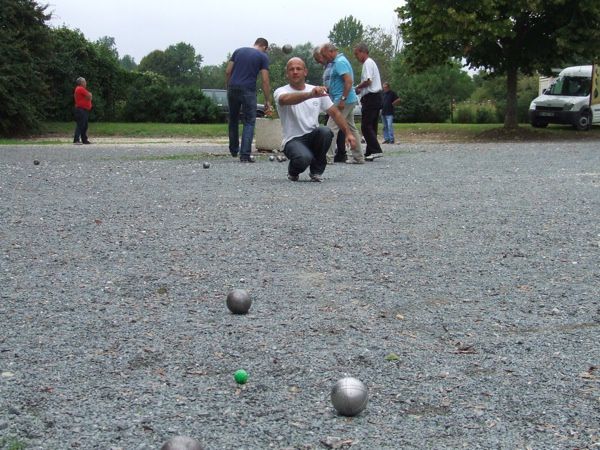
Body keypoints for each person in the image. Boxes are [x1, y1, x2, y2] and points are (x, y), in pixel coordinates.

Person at [274, 57, 357, 182]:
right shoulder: (281, 91)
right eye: (291, 69)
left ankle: (316, 172)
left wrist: (348, 134)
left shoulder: (317, 91)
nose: (295, 72)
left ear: (305, 72)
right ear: (287, 74)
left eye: (298, 69)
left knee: (325, 131)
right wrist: (310, 95)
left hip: (312, 136)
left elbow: (335, 113)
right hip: (292, 140)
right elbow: (284, 100)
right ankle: (293, 171)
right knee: (303, 158)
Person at [225, 37, 272, 162]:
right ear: (265, 47)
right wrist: (268, 100)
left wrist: (229, 87)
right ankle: (245, 155)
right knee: (249, 121)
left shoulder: (238, 51)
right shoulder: (262, 57)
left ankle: (234, 150)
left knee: (233, 119)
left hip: (233, 88)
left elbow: (228, 71)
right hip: (248, 90)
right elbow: (265, 80)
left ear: (255, 43)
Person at [320, 43, 364, 164]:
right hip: (347, 99)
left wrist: (342, 99)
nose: (325, 58)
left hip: (343, 100)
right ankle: (358, 157)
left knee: (331, 128)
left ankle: (327, 157)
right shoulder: (339, 61)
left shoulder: (339, 62)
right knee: (351, 127)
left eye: (325, 55)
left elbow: (348, 81)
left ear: (331, 51)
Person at [312, 46, 346, 163]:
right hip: (330, 98)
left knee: (333, 126)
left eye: (319, 59)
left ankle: (332, 155)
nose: (319, 61)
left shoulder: (335, 63)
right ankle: (340, 153)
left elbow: (343, 80)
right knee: (339, 125)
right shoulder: (327, 65)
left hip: (336, 98)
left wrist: (342, 98)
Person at [353, 43, 383, 160]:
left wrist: (358, 87)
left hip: (371, 97)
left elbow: (368, 80)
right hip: (376, 96)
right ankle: (370, 151)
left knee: (365, 126)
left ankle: (376, 149)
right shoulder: (371, 63)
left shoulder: (367, 63)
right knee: (372, 125)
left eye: (357, 54)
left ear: (362, 52)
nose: (356, 57)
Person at [73, 77, 92, 145]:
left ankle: (84, 140)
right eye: (84, 81)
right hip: (81, 109)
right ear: (81, 83)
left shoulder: (80, 89)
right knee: (80, 124)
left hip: (84, 109)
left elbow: (88, 96)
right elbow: (89, 96)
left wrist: (88, 96)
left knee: (84, 125)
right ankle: (76, 140)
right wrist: (89, 95)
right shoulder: (80, 88)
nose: (85, 83)